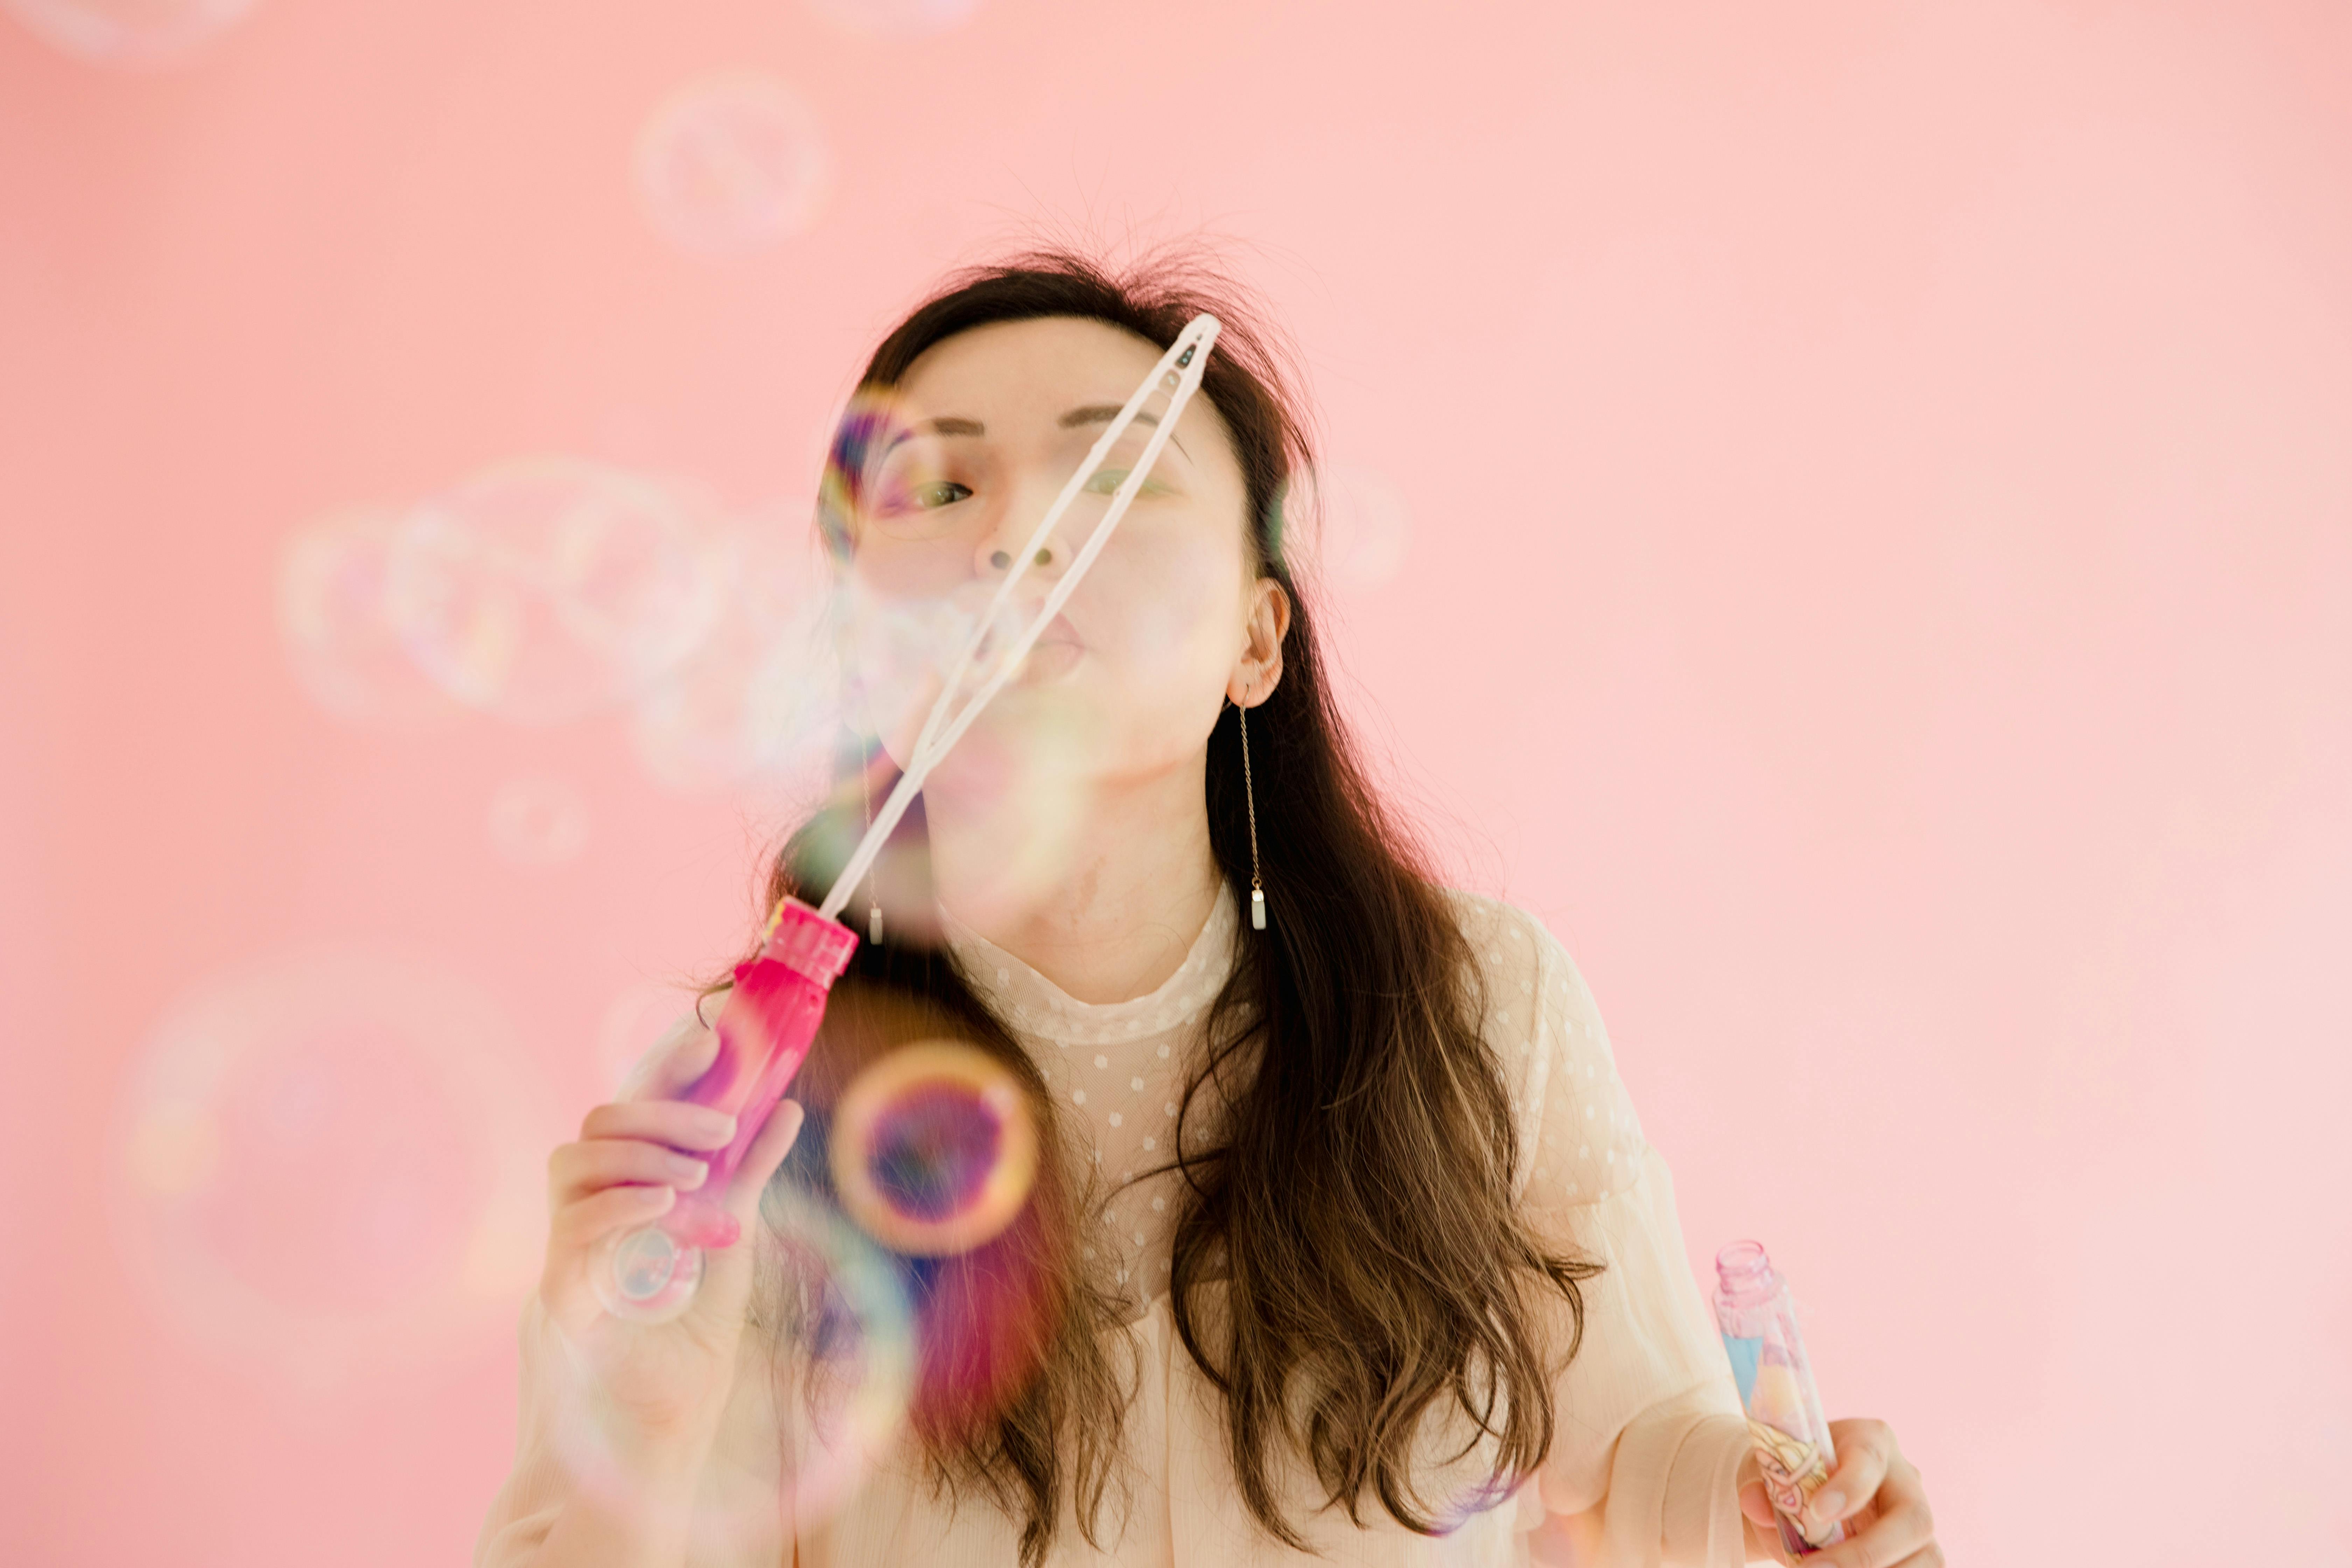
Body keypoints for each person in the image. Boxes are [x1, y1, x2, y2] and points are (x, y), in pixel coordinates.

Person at [477, 251, 1942, 1568]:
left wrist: (1765, 1506)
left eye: (1112, 478)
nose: (1017, 545)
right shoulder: (735, 1114)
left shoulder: (1472, 1004)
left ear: (1256, 638)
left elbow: (1632, 1456)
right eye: (944, 487)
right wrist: (650, 1407)